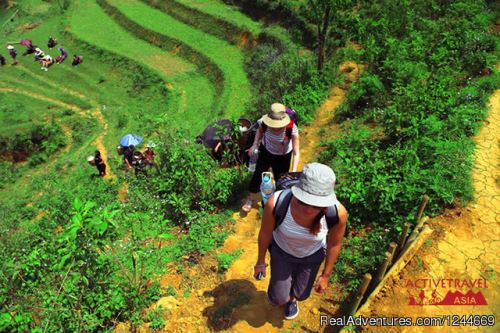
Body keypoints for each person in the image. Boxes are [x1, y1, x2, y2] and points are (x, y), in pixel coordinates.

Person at [254, 163, 348, 320]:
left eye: (316, 205)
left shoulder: (337, 214)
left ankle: (293, 300)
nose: (308, 210)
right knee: (278, 298)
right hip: (282, 252)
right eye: (303, 201)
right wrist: (260, 262)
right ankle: (282, 295)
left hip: (312, 256)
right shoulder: (276, 203)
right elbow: (265, 233)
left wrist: (325, 275)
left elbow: (334, 244)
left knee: (302, 294)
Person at [241, 103, 300, 212]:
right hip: (266, 152)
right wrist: (255, 144)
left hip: (283, 157)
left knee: (280, 180)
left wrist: (293, 172)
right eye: (273, 124)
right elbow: (259, 131)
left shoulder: (292, 128)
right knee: (258, 175)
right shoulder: (263, 122)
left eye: (278, 125)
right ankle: (251, 198)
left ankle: (276, 202)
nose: (274, 127)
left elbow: (296, 152)